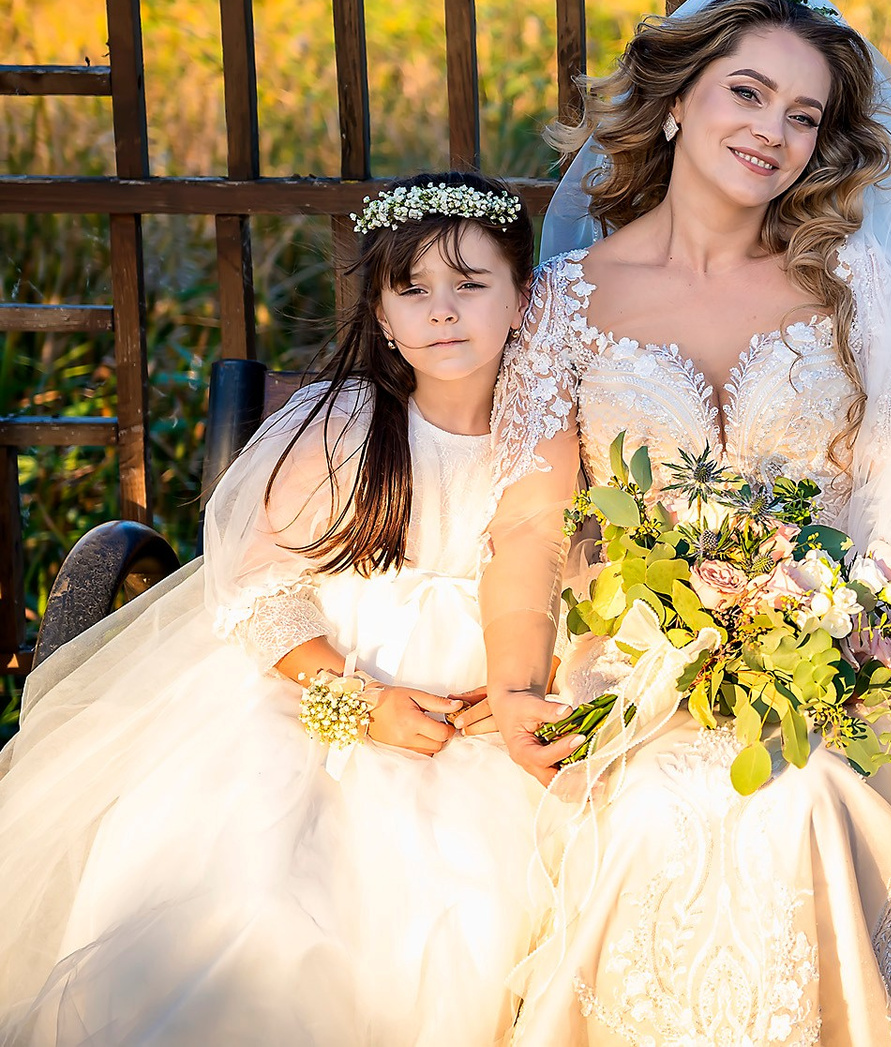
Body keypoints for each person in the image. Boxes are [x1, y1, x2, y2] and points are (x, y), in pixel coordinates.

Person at [487, 0, 891, 1047]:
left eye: (802, 115)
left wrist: (879, 626)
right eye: (746, 93)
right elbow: (528, 523)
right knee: (655, 815)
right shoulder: (566, 298)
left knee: (800, 797)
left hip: (831, 656)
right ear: (677, 100)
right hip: (635, 663)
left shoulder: (856, 287)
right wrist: (515, 682)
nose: (771, 133)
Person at [0, 175, 576, 1045]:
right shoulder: (346, 426)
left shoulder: (553, 443)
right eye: (413, 289)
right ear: (381, 314)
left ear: (523, 298)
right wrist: (358, 701)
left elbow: (569, 585)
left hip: (481, 720)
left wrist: (522, 685)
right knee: (265, 894)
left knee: (468, 903)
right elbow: (261, 592)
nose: (442, 310)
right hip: (324, 693)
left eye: (470, 283)